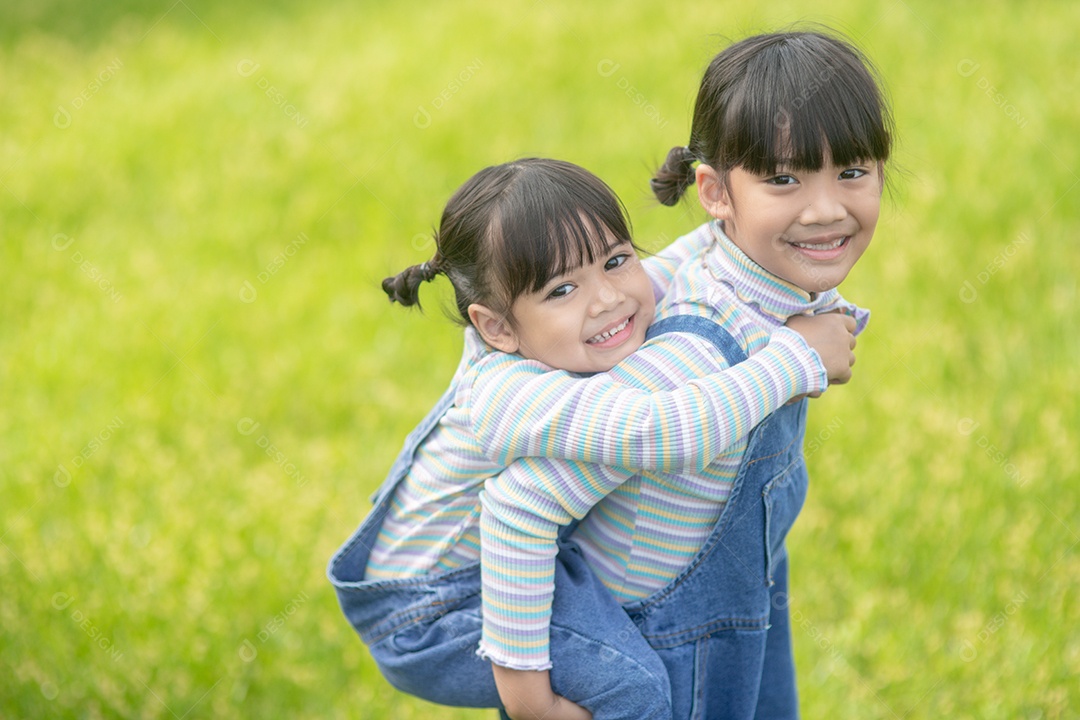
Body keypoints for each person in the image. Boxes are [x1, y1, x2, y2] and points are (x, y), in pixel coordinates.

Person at [328, 158, 857, 719]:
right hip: (435, 609)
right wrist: (795, 360)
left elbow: (670, 268)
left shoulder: (551, 331)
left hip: (500, 568)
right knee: (633, 689)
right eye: (562, 290)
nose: (606, 299)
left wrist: (738, 225)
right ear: (497, 327)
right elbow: (662, 432)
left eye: (616, 259)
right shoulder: (514, 397)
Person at [467, 28, 892, 719]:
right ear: (715, 193)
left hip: (738, 605)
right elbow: (520, 503)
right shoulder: (698, 347)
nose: (825, 208)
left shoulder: (730, 270)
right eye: (784, 179)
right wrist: (529, 698)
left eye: (852, 171)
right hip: (667, 639)